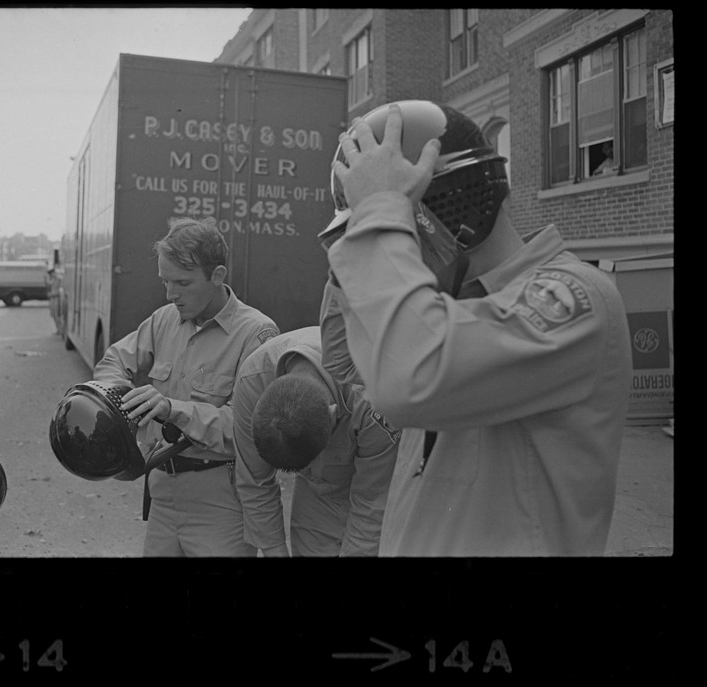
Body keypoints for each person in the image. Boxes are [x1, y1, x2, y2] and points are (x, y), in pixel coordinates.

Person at [322, 101, 633, 556]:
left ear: (447, 210)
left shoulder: (577, 299)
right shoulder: (442, 311)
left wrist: (379, 219)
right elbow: (341, 363)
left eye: (394, 224)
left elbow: (412, 380)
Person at [92, 216, 279, 556]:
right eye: (165, 281)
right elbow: (113, 362)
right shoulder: (165, 319)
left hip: (220, 502)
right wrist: (117, 399)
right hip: (163, 493)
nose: (170, 293)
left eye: (182, 283)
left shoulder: (257, 335)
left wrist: (171, 409)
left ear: (217, 276)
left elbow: (247, 427)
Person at [232, 325, 400, 557]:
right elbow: (254, 481)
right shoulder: (252, 382)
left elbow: (371, 504)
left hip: (381, 482)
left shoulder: (374, 401)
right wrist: (275, 550)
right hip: (317, 492)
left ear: (333, 415)